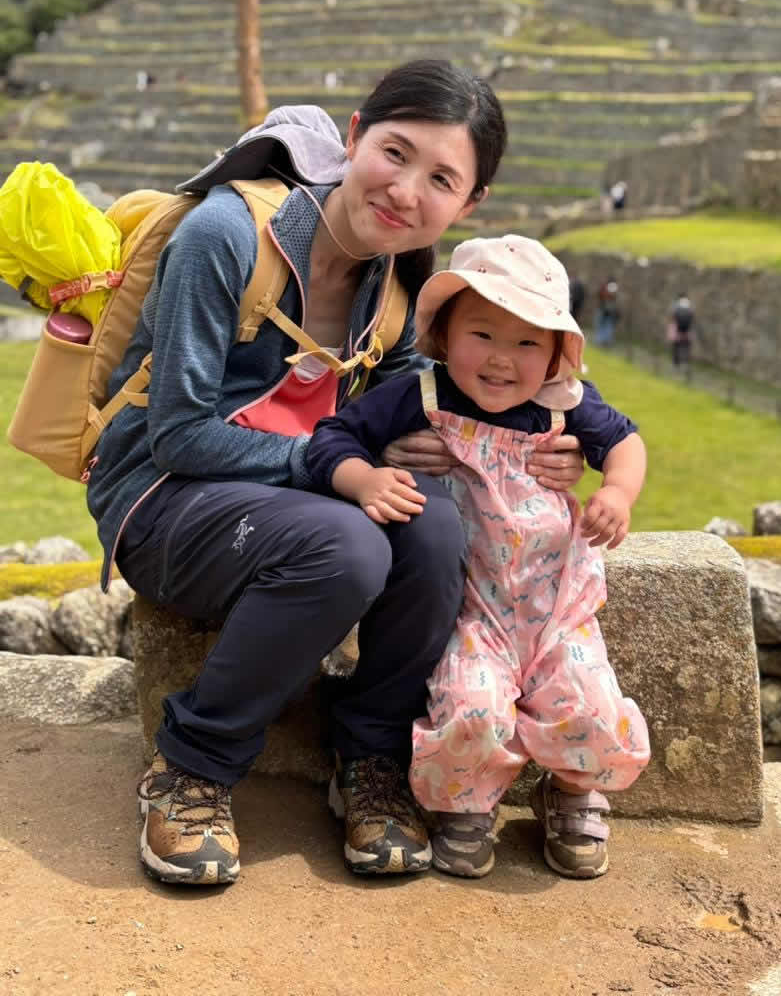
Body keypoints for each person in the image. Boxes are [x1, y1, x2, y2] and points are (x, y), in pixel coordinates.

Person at [86, 60, 585, 887]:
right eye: (394, 152)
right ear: (354, 137)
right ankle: (192, 767)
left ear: (468, 205)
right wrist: (337, 466)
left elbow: (429, 408)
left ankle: (371, 760)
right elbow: (178, 436)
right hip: (163, 496)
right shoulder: (226, 236)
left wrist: (547, 442)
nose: (404, 190)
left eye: (441, 180)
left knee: (435, 529)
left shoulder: (402, 277)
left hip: (288, 500)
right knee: (347, 546)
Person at [306, 236, 651, 880]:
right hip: (470, 612)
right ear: (443, 335)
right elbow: (334, 435)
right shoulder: (421, 397)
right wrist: (365, 478)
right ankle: (466, 804)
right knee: (470, 704)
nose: (501, 360)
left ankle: (574, 790)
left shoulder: (566, 404)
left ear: (555, 354)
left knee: (590, 703)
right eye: (482, 335)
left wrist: (617, 491)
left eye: (526, 343)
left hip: (558, 610)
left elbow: (626, 441)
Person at [667, 292, 695, 367]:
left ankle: (676, 363)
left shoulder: (676, 305)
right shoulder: (689, 305)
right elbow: (692, 317)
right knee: (687, 345)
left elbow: (673, 316)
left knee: (676, 345)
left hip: (678, 329)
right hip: (687, 329)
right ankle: (687, 361)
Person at [594, 279, 621, 348]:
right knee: (601, 327)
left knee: (606, 328)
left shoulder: (612, 288)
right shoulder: (606, 289)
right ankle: (600, 342)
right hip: (603, 310)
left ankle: (603, 343)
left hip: (608, 313)